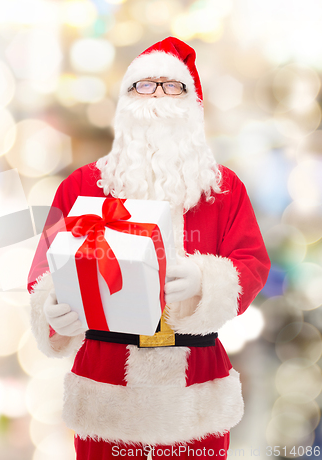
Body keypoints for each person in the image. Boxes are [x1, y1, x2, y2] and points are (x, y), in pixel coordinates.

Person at [27, 36, 270, 460]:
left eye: (172, 86)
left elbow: (251, 264)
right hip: (106, 388)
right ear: (125, 101)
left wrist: (205, 281)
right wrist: (51, 309)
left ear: (192, 103)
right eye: (144, 85)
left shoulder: (225, 190)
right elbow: (43, 272)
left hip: (193, 390)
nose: (158, 95)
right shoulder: (82, 186)